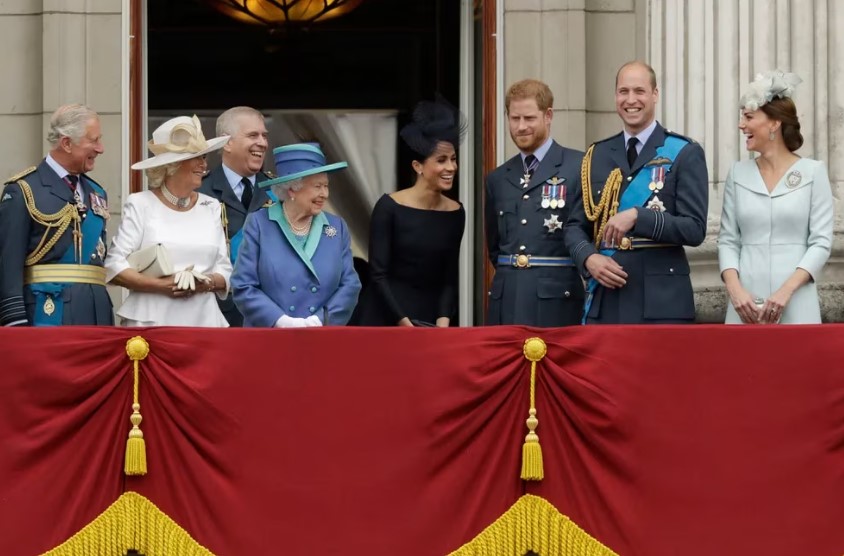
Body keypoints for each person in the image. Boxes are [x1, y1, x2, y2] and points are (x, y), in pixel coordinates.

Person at [564, 61, 709, 324]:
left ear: (655, 94)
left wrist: (638, 217)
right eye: (623, 91)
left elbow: (695, 229)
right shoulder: (596, 155)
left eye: (639, 91)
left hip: (662, 303)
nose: (631, 100)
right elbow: (575, 225)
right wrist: (589, 258)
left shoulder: (684, 152)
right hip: (607, 300)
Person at [718, 71, 833, 324]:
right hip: (744, 306)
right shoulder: (738, 174)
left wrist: (785, 291)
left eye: (748, 117)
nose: (741, 125)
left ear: (774, 123)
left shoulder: (813, 173)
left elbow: (821, 242)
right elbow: (728, 240)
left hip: (796, 301)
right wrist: (735, 291)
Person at [104, 115, 233, 326]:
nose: (204, 164)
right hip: (151, 324)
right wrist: (161, 285)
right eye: (196, 157)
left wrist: (203, 283)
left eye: (203, 157)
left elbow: (225, 271)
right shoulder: (141, 204)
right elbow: (115, 265)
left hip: (204, 323)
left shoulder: (211, 206)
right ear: (173, 165)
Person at [356, 98, 466, 327]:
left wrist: (442, 323)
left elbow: (449, 278)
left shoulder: (456, 212)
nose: (451, 168)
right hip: (386, 318)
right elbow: (378, 275)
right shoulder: (389, 207)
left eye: (453, 159)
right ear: (418, 166)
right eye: (442, 160)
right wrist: (404, 323)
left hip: (431, 322)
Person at [0, 104, 113, 326]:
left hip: (96, 314)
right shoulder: (24, 189)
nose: (101, 149)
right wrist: (14, 321)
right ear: (67, 143)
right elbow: (8, 263)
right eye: (94, 140)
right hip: (48, 312)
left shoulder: (97, 192)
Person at [484, 79, 585, 326]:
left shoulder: (579, 166)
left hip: (557, 302)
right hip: (506, 301)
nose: (520, 127)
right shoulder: (497, 178)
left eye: (529, 118)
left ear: (548, 115)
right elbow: (495, 247)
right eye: (514, 118)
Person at [231, 143, 361, 327]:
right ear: (292, 189)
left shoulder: (336, 227)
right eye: (317, 186)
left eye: (326, 186)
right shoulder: (259, 224)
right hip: (269, 338)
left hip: (321, 337)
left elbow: (350, 285)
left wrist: (320, 320)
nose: (325, 194)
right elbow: (243, 285)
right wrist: (280, 321)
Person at [199, 106, 273, 326]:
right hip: (216, 314)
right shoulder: (199, 190)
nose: (263, 143)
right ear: (226, 143)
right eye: (253, 135)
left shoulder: (279, 191)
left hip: (270, 313)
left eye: (264, 136)